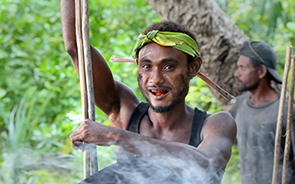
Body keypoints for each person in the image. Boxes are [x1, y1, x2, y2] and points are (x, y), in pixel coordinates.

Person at [61, 0, 236, 183]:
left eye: (169, 67)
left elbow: (206, 164)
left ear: (193, 67)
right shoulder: (124, 111)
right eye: (147, 66)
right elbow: (76, 45)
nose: (156, 79)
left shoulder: (215, 124)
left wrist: (116, 135)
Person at [230, 40, 295, 184]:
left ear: (261, 72)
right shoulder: (238, 105)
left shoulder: (287, 110)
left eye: (242, 67)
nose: (236, 73)